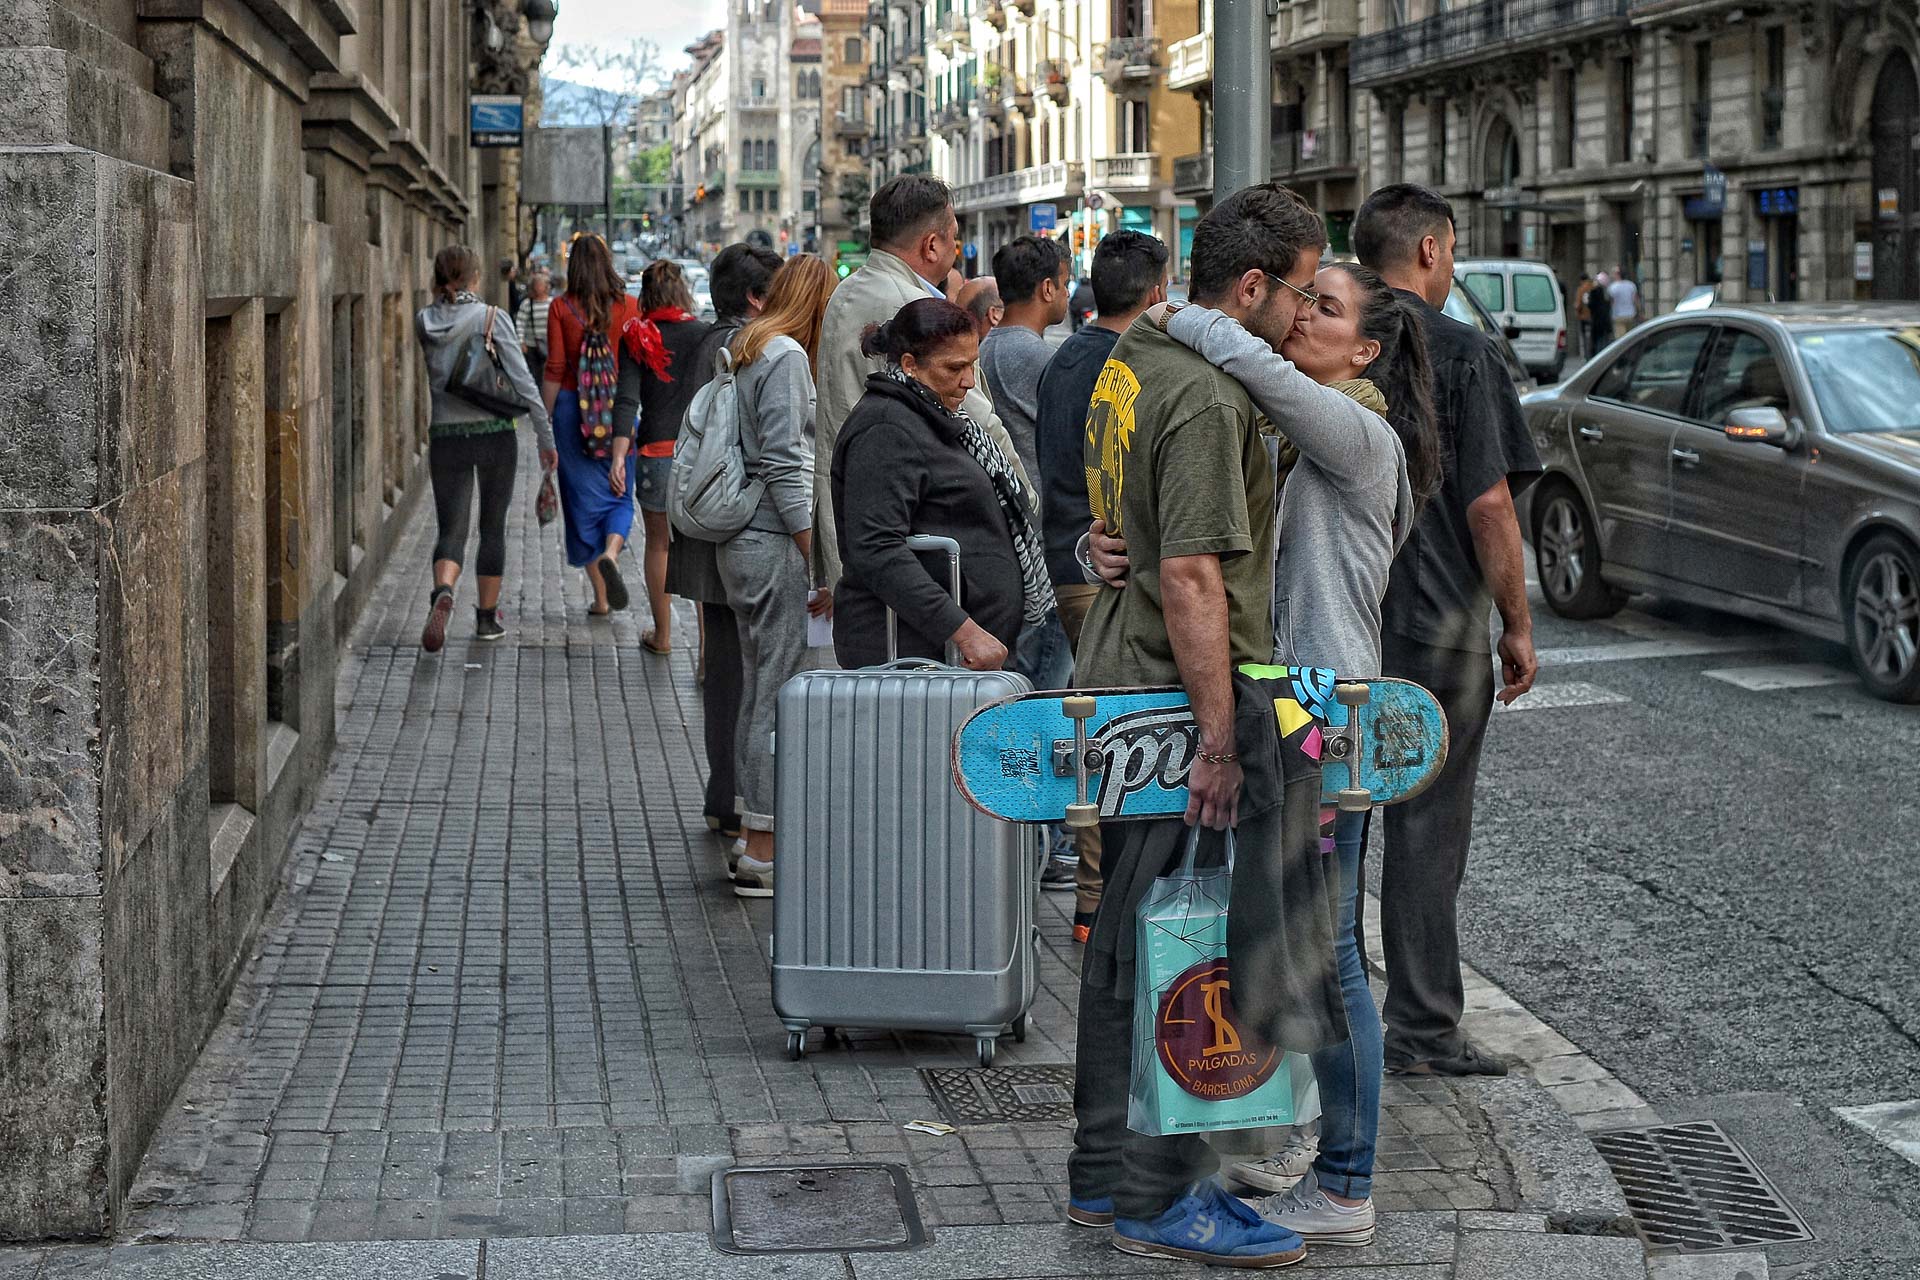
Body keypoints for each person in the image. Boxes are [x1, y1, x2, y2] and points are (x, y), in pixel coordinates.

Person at [1097, 262, 1445, 1249]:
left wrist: (1179, 315)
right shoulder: (1305, 447)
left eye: (1324, 309)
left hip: (1317, 710)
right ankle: (1313, 1148)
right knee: (1297, 936)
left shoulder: (1358, 434)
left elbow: (1261, 369)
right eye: (1303, 298)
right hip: (1296, 706)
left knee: (1328, 948)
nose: (1301, 318)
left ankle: (1344, 1179)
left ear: (1366, 350)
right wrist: (1105, 549)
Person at [1067, 183, 1328, 1269]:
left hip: (1128, 682)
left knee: (1128, 937)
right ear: (1253, 285)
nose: (1308, 317)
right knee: (1186, 947)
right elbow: (1191, 576)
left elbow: (1126, 529)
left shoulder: (1134, 356)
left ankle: (1101, 1174)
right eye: (1303, 294)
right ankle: (1157, 1193)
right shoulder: (1211, 400)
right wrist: (1220, 740)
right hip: (1176, 703)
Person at [1350, 183, 1540, 1076]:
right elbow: (1491, 502)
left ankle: (1326, 1011)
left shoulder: (1322, 346)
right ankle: (1422, 1028)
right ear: (1430, 250)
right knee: (1426, 828)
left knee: (1332, 821)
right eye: (1453, 250)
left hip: (1339, 624)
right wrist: (1518, 622)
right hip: (1440, 627)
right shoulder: (1462, 351)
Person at [1032, 228, 1168, 934]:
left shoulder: (1064, 360)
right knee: (1116, 732)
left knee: (1097, 720)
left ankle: (1094, 900)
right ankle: (1098, 900)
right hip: (1102, 570)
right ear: (1155, 294)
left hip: (1064, 560)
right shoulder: (1128, 364)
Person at [814, 173, 1035, 596]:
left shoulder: (850, 289)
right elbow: (972, 416)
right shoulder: (907, 304)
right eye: (953, 238)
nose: (956, 249)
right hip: (910, 532)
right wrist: (1025, 500)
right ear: (931, 245)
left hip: (872, 517)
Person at [831, 297, 1053, 677]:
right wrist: (963, 632)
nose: (969, 380)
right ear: (909, 366)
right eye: (955, 368)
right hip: (919, 658)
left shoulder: (937, 417)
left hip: (954, 657)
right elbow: (876, 547)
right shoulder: (886, 429)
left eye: (972, 365)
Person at [718, 254, 838, 899]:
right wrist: (814, 550)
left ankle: (748, 833)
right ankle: (764, 846)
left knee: (759, 682)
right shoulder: (786, 355)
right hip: (772, 539)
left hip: (743, 543)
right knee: (779, 689)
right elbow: (786, 460)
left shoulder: (749, 345)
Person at [669, 242, 784, 846]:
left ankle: (724, 794)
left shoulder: (703, 342)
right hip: (734, 522)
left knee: (723, 663)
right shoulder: (750, 349)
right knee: (745, 667)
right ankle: (742, 798)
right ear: (756, 298)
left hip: (697, 520)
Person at [413, 245, 556, 651]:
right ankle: (486, 620)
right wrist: (546, 441)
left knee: (451, 529)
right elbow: (525, 383)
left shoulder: (424, 322)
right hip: (495, 435)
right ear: (474, 277)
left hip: (445, 436)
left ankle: (444, 590)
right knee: (492, 528)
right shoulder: (491, 318)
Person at [610, 260, 712, 654]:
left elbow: (626, 401)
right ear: (682, 290)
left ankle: (663, 637)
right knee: (700, 551)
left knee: (658, 545)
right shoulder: (703, 334)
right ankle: (707, 650)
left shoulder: (638, 336)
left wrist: (619, 457)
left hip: (654, 454)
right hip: (699, 457)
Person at [543, 234, 642, 616]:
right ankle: (613, 553)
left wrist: (545, 425)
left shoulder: (561, 308)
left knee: (582, 505)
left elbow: (554, 368)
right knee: (619, 493)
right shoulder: (630, 307)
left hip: (573, 414)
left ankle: (601, 598)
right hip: (619, 411)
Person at [980, 235, 1071, 500]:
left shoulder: (989, 346)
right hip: (1037, 513)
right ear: (1047, 288)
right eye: (1064, 283)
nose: (1066, 292)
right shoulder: (1034, 355)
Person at [516, 266, 555, 373]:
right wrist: (521, 341)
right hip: (531, 346)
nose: (538, 287)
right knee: (533, 372)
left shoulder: (552, 303)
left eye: (541, 285)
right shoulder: (527, 304)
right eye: (536, 285)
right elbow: (520, 323)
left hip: (549, 345)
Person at [1606, 267, 1642, 338]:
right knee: (1631, 337)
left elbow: (1611, 302)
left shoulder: (1612, 287)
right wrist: (1639, 312)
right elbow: (1636, 300)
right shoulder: (1631, 285)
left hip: (1618, 315)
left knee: (1620, 338)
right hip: (1631, 314)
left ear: (1617, 275)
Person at [1585, 271, 1613, 356]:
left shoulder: (1594, 292)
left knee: (1596, 341)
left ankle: (1597, 356)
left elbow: (1590, 305)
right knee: (1604, 340)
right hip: (1605, 321)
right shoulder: (1607, 292)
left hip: (1597, 321)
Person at [1571, 272, 1593, 360]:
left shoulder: (1581, 289)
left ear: (1581, 280)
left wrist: (1576, 310)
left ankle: (1587, 355)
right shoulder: (1593, 287)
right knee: (1592, 336)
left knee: (1584, 336)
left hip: (1583, 316)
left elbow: (1578, 303)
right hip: (1593, 316)